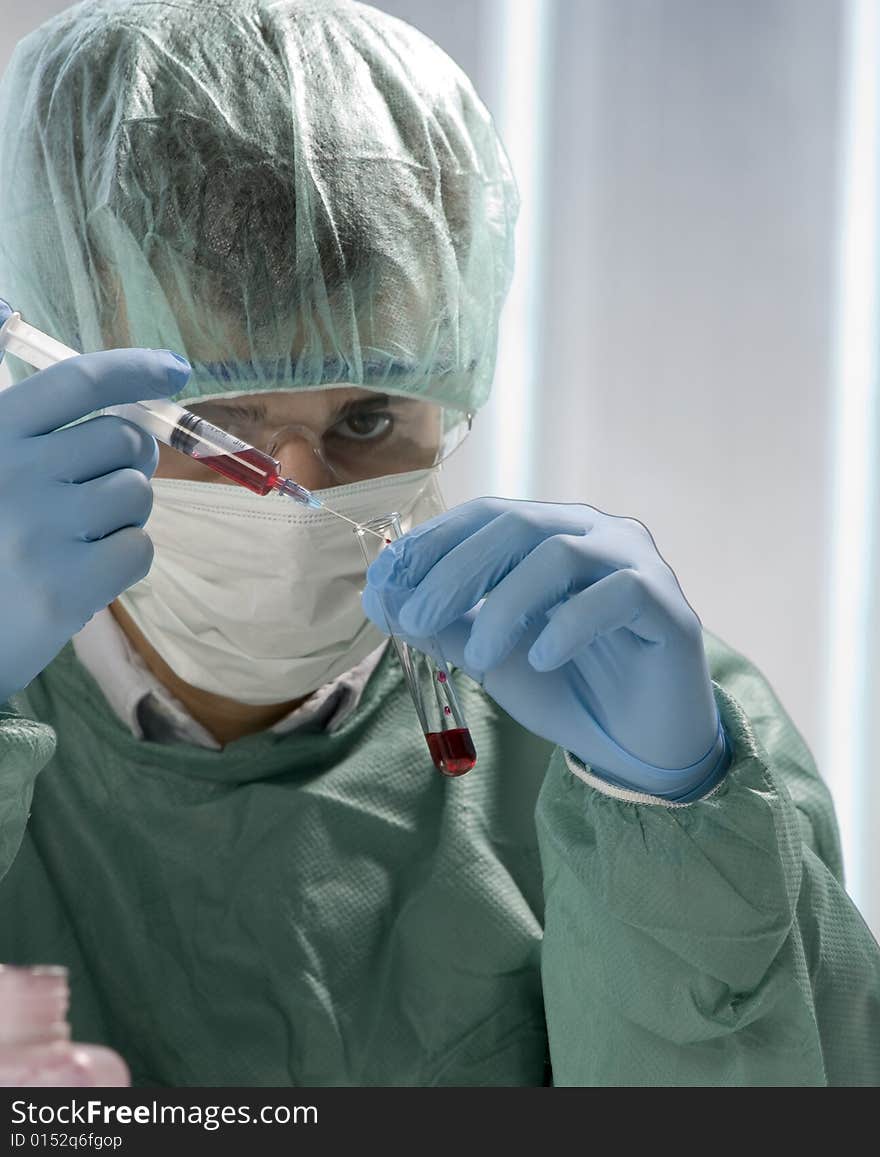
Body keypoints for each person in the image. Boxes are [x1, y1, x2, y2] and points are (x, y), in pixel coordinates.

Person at [0, 0, 877, 1088]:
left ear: (452, 378)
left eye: (366, 417)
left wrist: (670, 822)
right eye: (214, 426)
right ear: (49, 366)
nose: (295, 492)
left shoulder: (634, 719)